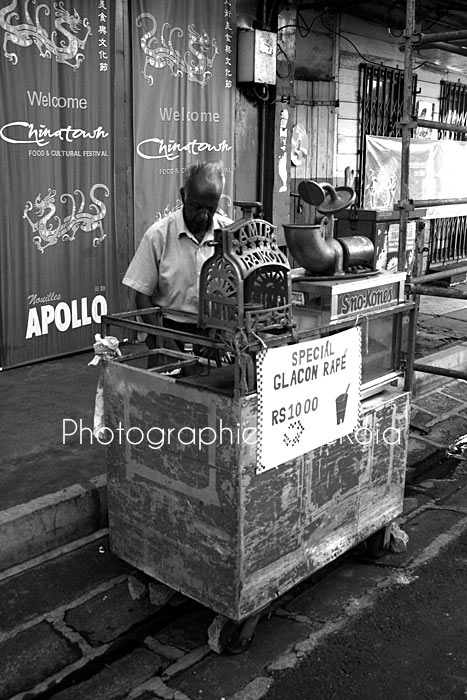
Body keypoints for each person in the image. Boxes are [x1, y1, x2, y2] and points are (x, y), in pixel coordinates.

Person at [122, 161, 233, 356]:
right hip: (169, 331)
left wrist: (223, 331)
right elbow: (142, 296)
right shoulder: (159, 236)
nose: (204, 216)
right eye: (197, 207)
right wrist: (164, 340)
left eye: (211, 208)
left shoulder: (230, 233)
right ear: (183, 195)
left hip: (216, 335)